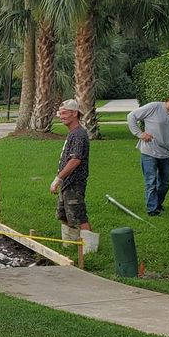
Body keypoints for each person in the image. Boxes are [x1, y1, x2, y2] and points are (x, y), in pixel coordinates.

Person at [50, 98, 97, 251]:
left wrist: (58, 178)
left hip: (74, 182)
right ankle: (70, 246)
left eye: (64, 113)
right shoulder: (73, 133)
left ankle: (89, 249)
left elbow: (75, 160)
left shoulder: (78, 135)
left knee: (79, 215)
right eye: (60, 113)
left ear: (74, 114)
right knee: (64, 214)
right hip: (67, 183)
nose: (61, 116)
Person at [127, 92, 169, 216]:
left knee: (165, 181)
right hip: (149, 152)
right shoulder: (155, 107)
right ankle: (152, 209)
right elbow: (131, 116)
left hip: (165, 153)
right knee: (151, 181)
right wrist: (140, 134)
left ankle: (158, 203)